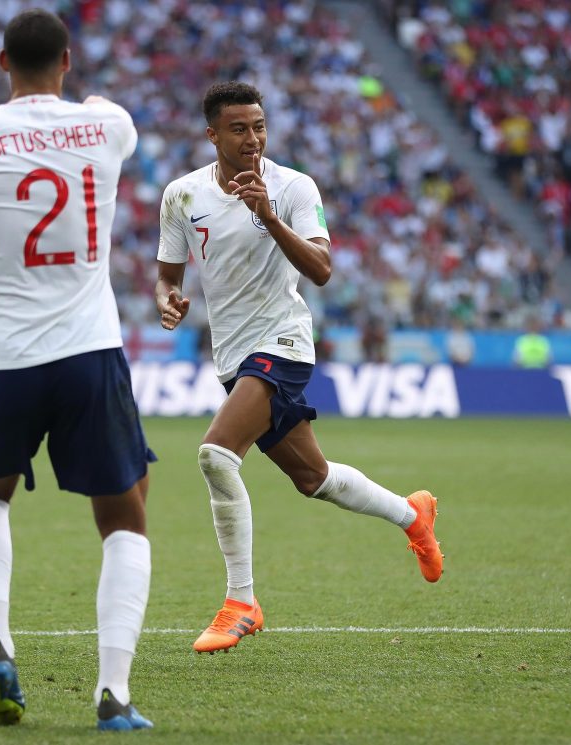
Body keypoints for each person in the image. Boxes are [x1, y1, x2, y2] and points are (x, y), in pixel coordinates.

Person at [0, 9, 154, 731]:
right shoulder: (108, 125)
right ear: (69, 60)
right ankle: (113, 693)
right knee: (124, 519)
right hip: (90, 351)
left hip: (7, 356)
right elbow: (105, 120)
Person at [155, 82, 443, 655]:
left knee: (215, 456)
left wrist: (268, 216)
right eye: (238, 129)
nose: (253, 138)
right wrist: (168, 298)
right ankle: (412, 515)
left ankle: (242, 603)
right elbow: (169, 274)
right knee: (314, 480)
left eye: (259, 126)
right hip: (233, 355)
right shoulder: (182, 196)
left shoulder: (291, 187)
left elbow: (322, 269)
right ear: (213, 135)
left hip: (283, 342)